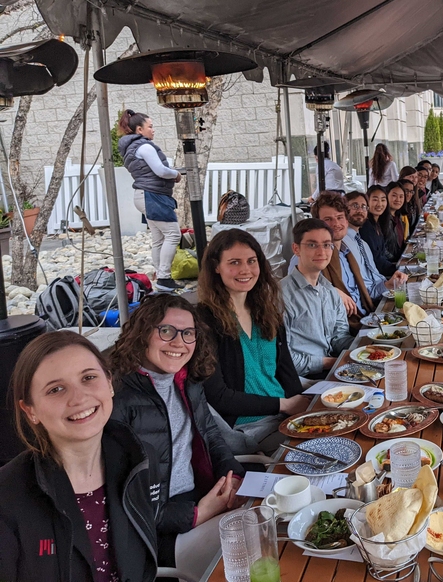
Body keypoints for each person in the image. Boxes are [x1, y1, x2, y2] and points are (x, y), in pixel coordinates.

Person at [0, 331, 158, 582]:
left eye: (88, 377)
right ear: (30, 411)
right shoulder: (7, 496)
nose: (79, 397)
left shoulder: (139, 461)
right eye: (56, 389)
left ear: (109, 383)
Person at [109, 293, 245, 577]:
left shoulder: (188, 379)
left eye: (188, 333)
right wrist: (198, 514)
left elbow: (211, 435)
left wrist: (233, 478)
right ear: (143, 333)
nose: (179, 343)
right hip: (159, 533)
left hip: (201, 496)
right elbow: (124, 501)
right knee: (252, 546)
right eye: (167, 331)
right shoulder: (117, 401)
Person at [197, 229, 309, 455]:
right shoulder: (204, 321)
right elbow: (219, 397)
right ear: (216, 267)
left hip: (284, 416)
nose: (245, 270)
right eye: (234, 262)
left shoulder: (266, 311)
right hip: (247, 428)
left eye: (251, 261)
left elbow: (286, 372)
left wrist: (301, 409)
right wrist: (284, 405)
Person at [118, 109, 182, 291]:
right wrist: (176, 174)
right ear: (139, 129)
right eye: (150, 127)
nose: (153, 130)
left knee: (158, 238)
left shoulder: (131, 148)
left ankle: (160, 276)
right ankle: (163, 277)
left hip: (143, 195)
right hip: (152, 195)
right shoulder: (144, 147)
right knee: (173, 234)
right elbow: (160, 171)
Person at [281, 218, 354, 378]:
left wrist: (366, 347)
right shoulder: (281, 296)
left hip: (333, 370)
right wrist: (331, 362)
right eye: (312, 245)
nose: (322, 252)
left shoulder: (329, 290)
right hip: (302, 380)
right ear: (296, 249)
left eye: (327, 245)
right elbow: (283, 359)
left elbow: (339, 336)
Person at [306, 193, 375, 331]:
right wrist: (331, 291)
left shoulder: (348, 251)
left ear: (347, 220)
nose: (336, 224)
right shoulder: (310, 253)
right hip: (346, 330)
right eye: (328, 219)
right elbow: (299, 287)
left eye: (339, 218)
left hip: (369, 318)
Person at [343, 191, 407, 304]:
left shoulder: (363, 244)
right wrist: (387, 284)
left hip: (383, 292)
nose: (359, 210)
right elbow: (366, 290)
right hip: (372, 302)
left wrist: (389, 283)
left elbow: (375, 278)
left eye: (363, 207)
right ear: (344, 210)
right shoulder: (343, 243)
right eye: (354, 206)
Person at [360, 185, 397, 277]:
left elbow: (383, 253)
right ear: (367, 202)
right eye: (375, 200)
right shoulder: (365, 227)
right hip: (377, 277)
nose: (380, 204)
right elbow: (375, 260)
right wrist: (396, 269)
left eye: (383, 200)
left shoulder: (378, 223)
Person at [383, 181, 408, 263]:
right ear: (386, 196)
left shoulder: (399, 216)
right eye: (394, 195)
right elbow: (383, 249)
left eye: (401, 196)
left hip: (401, 258)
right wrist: (396, 262)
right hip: (391, 264)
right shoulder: (383, 219)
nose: (398, 200)